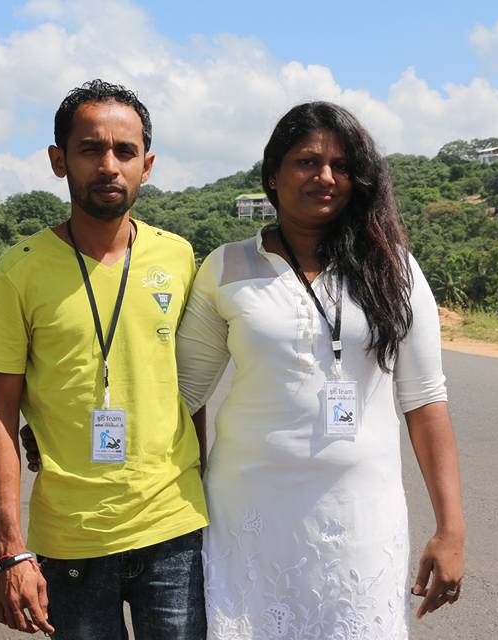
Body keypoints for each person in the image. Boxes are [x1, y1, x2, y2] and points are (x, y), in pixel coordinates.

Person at [176, 102, 465, 639]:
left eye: (341, 165)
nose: (325, 177)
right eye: (307, 161)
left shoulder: (394, 269)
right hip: (248, 517)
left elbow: (425, 400)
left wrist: (451, 529)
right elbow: (185, 394)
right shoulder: (226, 266)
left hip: (359, 520)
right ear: (273, 175)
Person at [0, 79, 208, 639]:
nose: (108, 166)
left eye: (125, 151)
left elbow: (192, 384)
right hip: (70, 539)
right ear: (59, 160)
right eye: (90, 149)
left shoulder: (178, 257)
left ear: (147, 165)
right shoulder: (20, 269)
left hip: (174, 529)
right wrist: (10, 551)